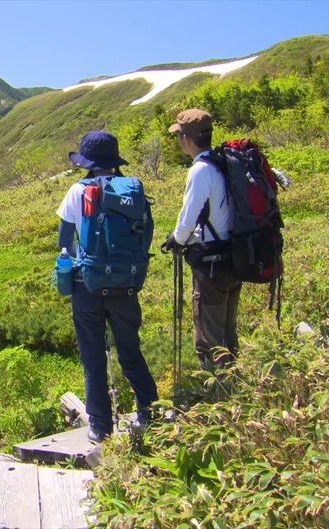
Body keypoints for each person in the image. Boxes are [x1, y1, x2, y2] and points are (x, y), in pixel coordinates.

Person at [57, 131, 159, 444]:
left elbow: (64, 243)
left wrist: (87, 260)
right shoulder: (133, 189)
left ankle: (100, 428)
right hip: (126, 284)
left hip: (87, 287)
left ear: (86, 163)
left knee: (93, 358)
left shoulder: (78, 190)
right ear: (114, 160)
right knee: (130, 351)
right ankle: (151, 416)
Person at [164, 109, 240, 370]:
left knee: (209, 338)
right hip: (233, 256)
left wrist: (177, 238)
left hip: (210, 265)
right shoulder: (222, 163)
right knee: (227, 332)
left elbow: (187, 220)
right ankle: (236, 383)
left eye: (178, 136)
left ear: (186, 139)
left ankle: (216, 388)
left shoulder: (200, 170)